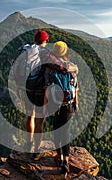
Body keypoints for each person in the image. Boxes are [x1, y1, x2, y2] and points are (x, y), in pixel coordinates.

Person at [25, 30, 78, 161]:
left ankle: (28, 143)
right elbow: (61, 66)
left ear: (35, 40)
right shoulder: (46, 54)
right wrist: (74, 68)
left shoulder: (26, 49)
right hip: (39, 92)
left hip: (27, 89)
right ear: (46, 41)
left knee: (29, 116)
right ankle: (36, 150)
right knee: (39, 122)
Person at [49, 41, 78, 173]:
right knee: (65, 132)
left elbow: (48, 89)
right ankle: (66, 160)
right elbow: (75, 87)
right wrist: (75, 103)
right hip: (69, 104)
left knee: (56, 130)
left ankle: (59, 156)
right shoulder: (71, 67)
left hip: (54, 105)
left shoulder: (51, 68)